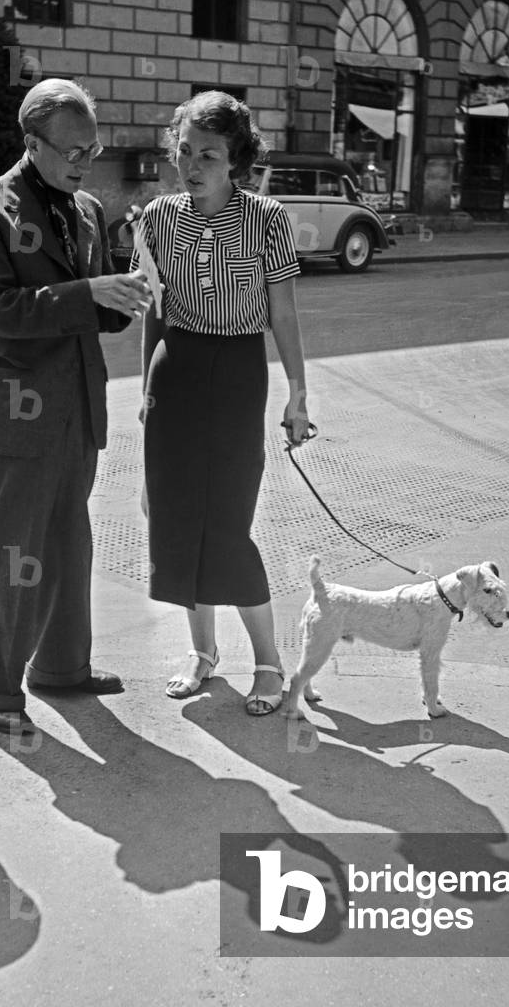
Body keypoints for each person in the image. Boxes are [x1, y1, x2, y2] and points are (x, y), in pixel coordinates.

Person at [0, 78, 153, 735]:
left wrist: (127, 290)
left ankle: (62, 669)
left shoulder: (88, 209)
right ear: (31, 142)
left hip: (79, 408)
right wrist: (89, 292)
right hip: (18, 410)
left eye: (92, 150)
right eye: (71, 150)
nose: (83, 162)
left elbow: (95, 311)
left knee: (69, 541)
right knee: (9, 552)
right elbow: (5, 313)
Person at [132, 91, 310, 716]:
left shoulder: (267, 218)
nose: (192, 165)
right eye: (185, 151)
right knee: (175, 518)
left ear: (236, 159)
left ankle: (268, 661)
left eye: (208, 154)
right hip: (173, 372)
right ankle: (203, 653)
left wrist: (297, 395)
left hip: (237, 372)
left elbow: (283, 313)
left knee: (227, 524)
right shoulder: (156, 218)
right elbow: (153, 312)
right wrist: (146, 392)